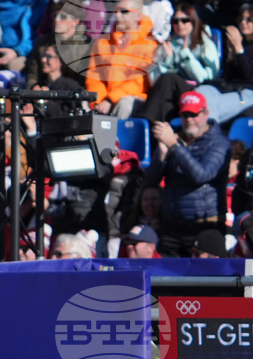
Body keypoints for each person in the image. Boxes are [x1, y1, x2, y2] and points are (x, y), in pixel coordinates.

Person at [147, 91, 230, 256]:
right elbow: (149, 181)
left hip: (204, 227)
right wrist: (161, 154)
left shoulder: (220, 143)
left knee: (202, 280)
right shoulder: (174, 138)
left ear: (206, 114)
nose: (189, 119)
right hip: (171, 226)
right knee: (165, 278)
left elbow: (201, 175)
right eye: (185, 115)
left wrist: (174, 146)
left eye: (194, 114)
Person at [85, 0, 159, 119]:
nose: (118, 15)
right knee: (83, 104)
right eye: (116, 11)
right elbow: (94, 77)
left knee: (124, 104)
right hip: (104, 100)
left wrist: (110, 100)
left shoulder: (151, 45)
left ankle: (118, 137)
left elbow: (139, 82)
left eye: (124, 11)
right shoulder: (102, 43)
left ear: (138, 15)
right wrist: (98, 102)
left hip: (134, 99)